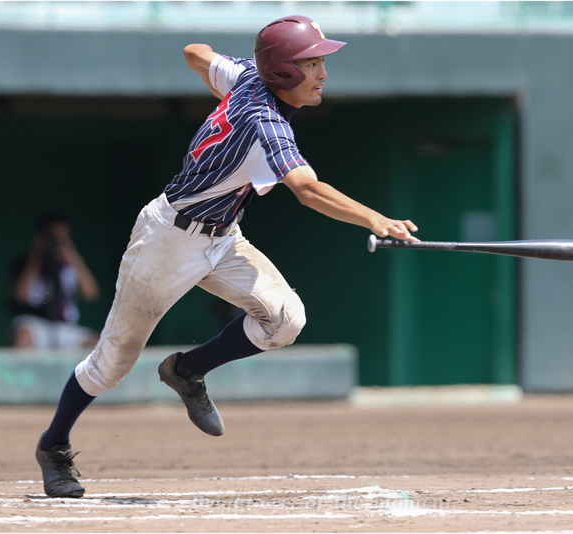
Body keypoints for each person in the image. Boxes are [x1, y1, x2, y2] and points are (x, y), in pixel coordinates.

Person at [34, 15, 418, 499]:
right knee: (111, 365)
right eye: (313, 63)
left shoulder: (248, 76)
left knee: (285, 319)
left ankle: (188, 370)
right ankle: (53, 445)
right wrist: (373, 219)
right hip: (166, 242)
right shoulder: (265, 121)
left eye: (321, 62)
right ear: (282, 74)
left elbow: (194, 52)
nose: (323, 73)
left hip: (222, 236)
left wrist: (223, 85)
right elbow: (307, 190)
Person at [10, 213, 100, 349]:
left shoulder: (70, 265)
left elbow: (91, 294)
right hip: (35, 324)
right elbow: (21, 296)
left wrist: (73, 257)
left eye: (64, 237)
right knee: (24, 336)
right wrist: (37, 253)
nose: (58, 242)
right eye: (54, 237)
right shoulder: (27, 263)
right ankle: (19, 371)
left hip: (66, 326)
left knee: (100, 345)